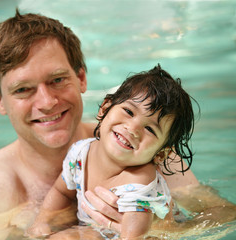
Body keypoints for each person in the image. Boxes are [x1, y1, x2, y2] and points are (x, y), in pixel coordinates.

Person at [0, 10, 203, 239]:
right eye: (23, 89)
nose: (47, 102)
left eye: (57, 80)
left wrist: (165, 229)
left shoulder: (146, 150)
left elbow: (223, 220)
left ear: (81, 77)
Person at [26, 64, 196, 239]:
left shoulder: (139, 184)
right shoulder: (80, 153)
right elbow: (61, 192)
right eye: (129, 111)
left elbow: (133, 237)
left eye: (150, 129)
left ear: (160, 154)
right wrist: (42, 221)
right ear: (105, 108)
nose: (132, 128)